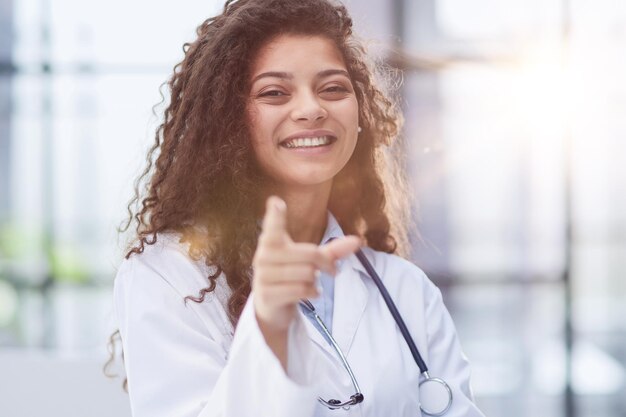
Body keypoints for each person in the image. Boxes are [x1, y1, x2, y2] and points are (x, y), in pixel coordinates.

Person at [112, 0, 485, 416]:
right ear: (231, 119)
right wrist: (269, 327)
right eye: (275, 93)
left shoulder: (406, 290)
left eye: (333, 88)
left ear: (360, 115)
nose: (311, 109)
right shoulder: (170, 275)